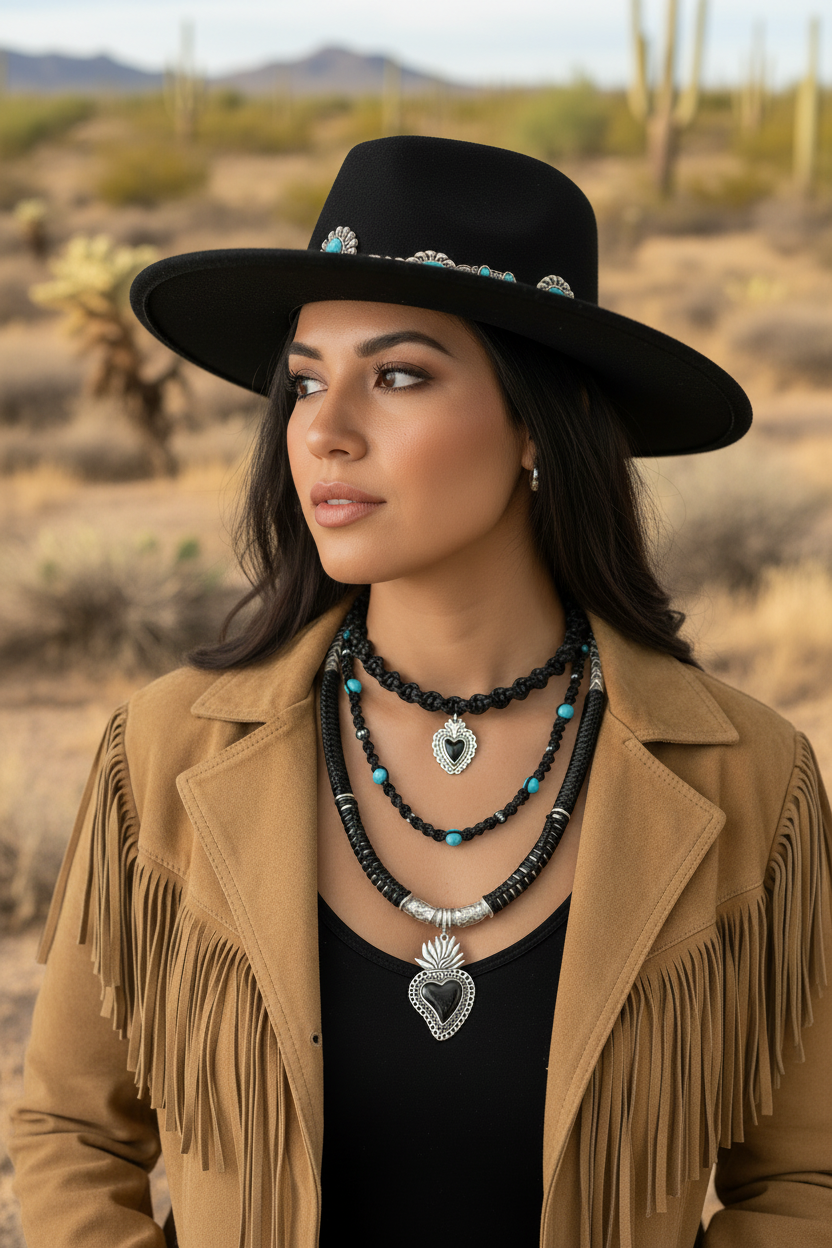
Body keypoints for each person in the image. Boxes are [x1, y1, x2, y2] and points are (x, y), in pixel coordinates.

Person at [9, 137, 831, 1248]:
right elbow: (72, 1133)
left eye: (397, 376)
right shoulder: (163, 752)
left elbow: (804, 1179)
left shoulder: (750, 778)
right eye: (306, 381)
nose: (324, 429)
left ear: (538, 422)